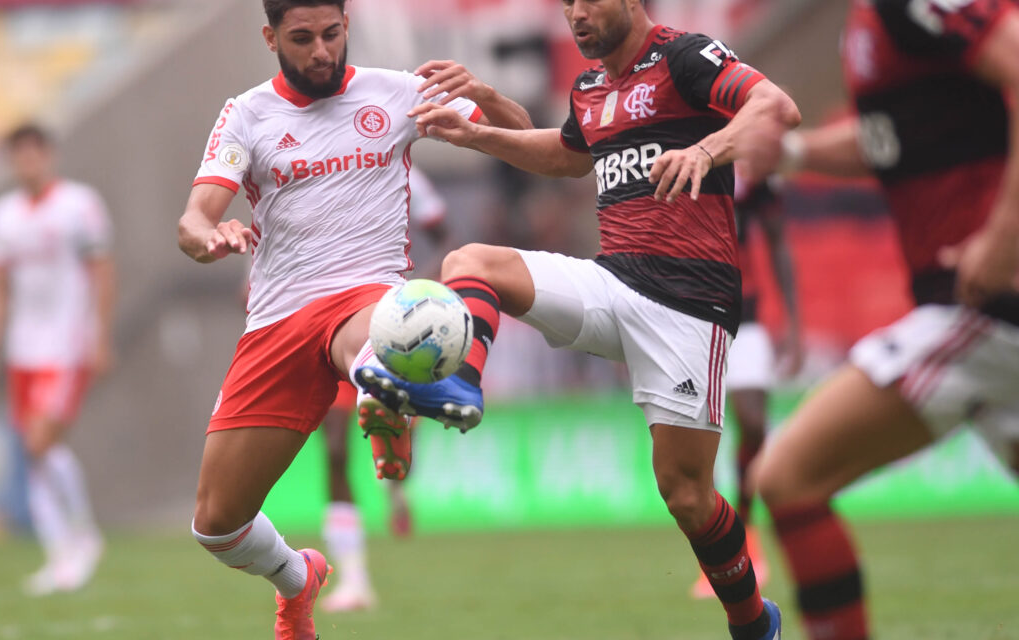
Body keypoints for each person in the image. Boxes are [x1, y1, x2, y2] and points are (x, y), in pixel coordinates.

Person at [357, 1, 801, 638]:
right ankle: (455, 383)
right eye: (566, 4)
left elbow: (776, 109)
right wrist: (480, 133)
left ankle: (753, 622)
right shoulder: (591, 86)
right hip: (613, 281)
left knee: (686, 494)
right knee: (472, 261)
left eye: (588, 0)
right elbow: (569, 154)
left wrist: (708, 148)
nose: (576, 14)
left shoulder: (685, 56)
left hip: (688, 305)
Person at [177, 1, 531, 637]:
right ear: (270, 36)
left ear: (347, 27)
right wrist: (210, 234)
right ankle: (298, 578)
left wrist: (483, 94)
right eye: (303, 38)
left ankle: (393, 393)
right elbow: (194, 218)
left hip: (366, 297)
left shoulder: (396, 93)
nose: (321, 51)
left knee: (378, 340)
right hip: (277, 321)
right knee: (217, 525)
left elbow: (522, 134)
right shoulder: (247, 113)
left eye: (332, 34)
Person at [736, 1, 1019, 638]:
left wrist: (1003, 242)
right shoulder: (870, 22)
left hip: (984, 311)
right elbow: (892, 138)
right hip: (977, 315)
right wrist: (791, 152)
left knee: (788, 478)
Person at [0, 123, 116, 596]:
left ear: (48, 155)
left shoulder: (80, 205)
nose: (28, 163)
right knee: (34, 456)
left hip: (67, 343)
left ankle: (85, 537)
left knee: (39, 442)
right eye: (19, 155)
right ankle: (60, 555)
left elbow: (103, 271)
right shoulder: (3, 216)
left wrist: (100, 334)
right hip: (23, 348)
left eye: (35, 153)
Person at [318, 165, 447, 613]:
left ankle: (397, 489)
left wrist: (420, 292)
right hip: (324, 323)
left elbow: (445, 237)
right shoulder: (306, 168)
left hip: (390, 324)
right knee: (335, 451)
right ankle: (354, 580)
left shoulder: (407, 175)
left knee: (393, 446)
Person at [691, 172, 801, 599]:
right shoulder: (676, 157)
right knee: (698, 437)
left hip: (746, 317)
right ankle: (719, 555)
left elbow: (777, 242)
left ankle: (748, 531)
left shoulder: (751, 178)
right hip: (691, 317)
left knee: (754, 425)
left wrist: (794, 323)